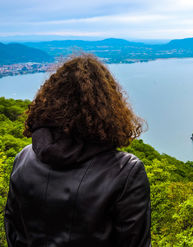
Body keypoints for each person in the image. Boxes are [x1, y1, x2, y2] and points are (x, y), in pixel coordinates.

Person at [4, 55, 151, 247]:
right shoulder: (126, 172)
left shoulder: (23, 159)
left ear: (49, 101)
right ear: (109, 107)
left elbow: (13, 231)